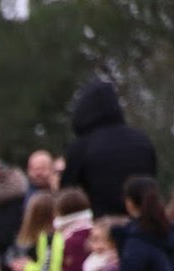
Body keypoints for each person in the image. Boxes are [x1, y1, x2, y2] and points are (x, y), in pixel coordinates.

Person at [61, 79, 157, 218]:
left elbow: (68, 191)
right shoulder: (142, 141)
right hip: (140, 222)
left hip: (98, 227)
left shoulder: (82, 146)